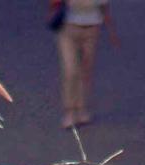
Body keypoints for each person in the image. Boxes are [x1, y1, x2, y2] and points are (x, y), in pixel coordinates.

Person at [50, 0, 118, 129]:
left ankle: (81, 109)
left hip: (91, 29)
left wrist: (111, 30)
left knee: (85, 70)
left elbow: (104, 7)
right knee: (70, 70)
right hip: (67, 28)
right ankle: (70, 111)